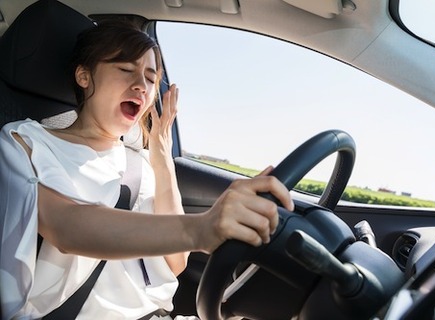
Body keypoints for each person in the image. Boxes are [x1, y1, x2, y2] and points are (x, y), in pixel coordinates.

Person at [0, 20, 294, 319]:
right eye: (126, 69)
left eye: (151, 78)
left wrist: (162, 158)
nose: (141, 85)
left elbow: (175, 263)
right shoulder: (24, 142)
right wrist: (202, 227)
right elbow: (65, 225)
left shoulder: (138, 163)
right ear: (84, 75)